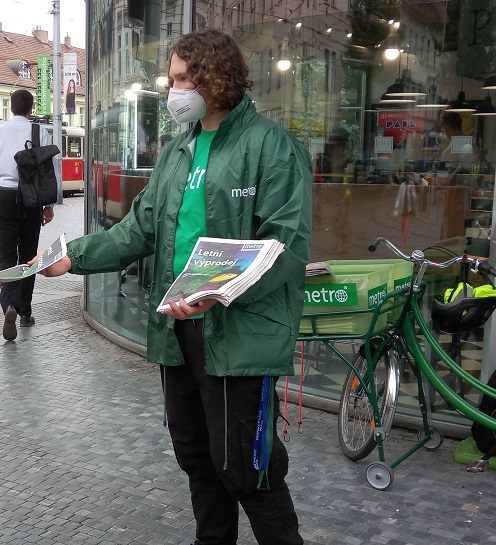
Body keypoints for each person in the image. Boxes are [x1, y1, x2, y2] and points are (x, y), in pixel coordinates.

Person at [39, 29, 311, 545]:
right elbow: (139, 229)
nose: (174, 90)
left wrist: (218, 291)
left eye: (184, 79)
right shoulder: (177, 151)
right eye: (172, 79)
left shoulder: (271, 147)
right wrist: (72, 256)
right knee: (197, 457)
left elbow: (284, 244)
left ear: (217, 77)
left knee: (246, 467)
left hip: (238, 335)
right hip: (178, 331)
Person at [0, 90, 57, 341]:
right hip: (31, 198)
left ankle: (8, 306)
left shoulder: (0, 130)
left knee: (6, 255)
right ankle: (24, 312)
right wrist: (48, 204)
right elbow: (48, 170)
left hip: (3, 196)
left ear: (11, 108)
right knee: (28, 255)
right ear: (31, 109)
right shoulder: (39, 132)